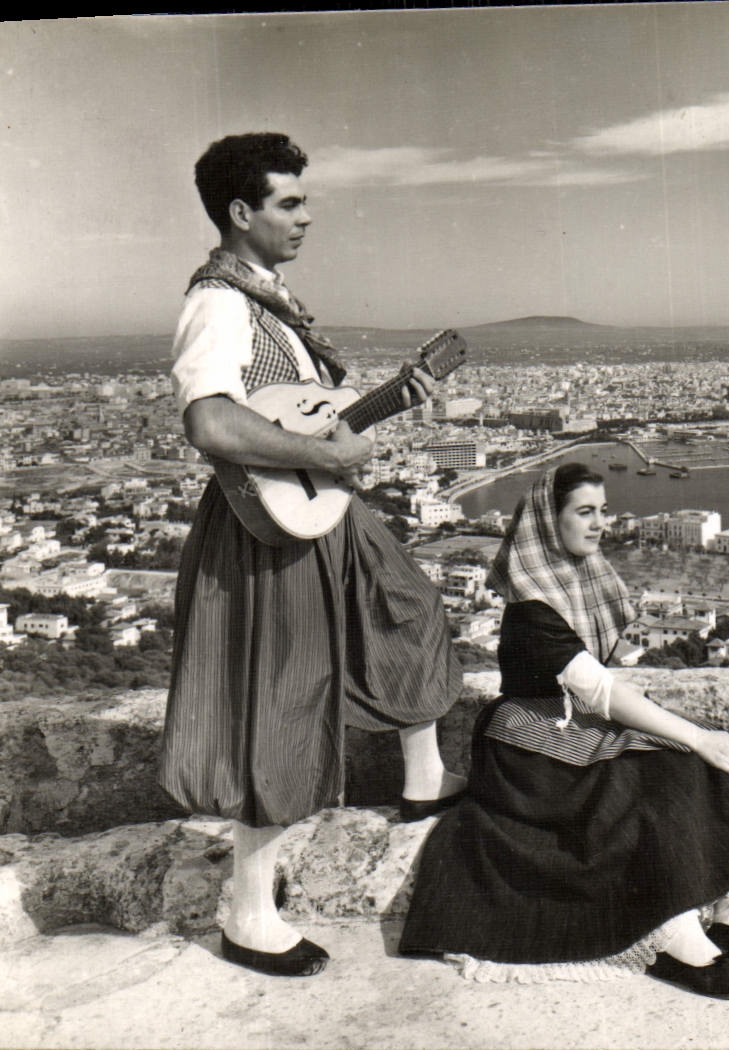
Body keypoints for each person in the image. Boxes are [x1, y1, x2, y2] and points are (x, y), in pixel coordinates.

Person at [158, 132, 466, 978]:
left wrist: (387, 405)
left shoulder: (269, 297)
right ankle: (250, 915)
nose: (306, 216)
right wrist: (329, 458)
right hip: (262, 527)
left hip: (314, 509)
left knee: (406, 607)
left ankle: (425, 778)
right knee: (281, 699)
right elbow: (211, 422)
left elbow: (304, 418)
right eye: (290, 203)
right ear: (240, 212)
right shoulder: (219, 303)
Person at [399, 463, 729, 1000]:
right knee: (658, 769)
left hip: (566, 724)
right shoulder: (532, 606)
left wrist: (700, 740)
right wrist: (695, 736)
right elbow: (598, 690)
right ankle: (671, 930)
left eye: (602, 512)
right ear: (548, 521)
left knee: (708, 755)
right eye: (584, 513)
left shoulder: (576, 580)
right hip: (524, 744)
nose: (599, 525)